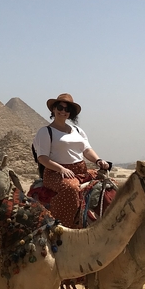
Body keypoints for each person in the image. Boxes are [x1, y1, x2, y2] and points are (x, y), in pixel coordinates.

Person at [33, 93, 110, 227]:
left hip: (81, 171)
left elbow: (86, 150)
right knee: (71, 188)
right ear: (53, 109)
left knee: (108, 184)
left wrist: (98, 160)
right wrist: (61, 169)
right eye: (60, 107)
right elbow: (42, 158)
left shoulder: (78, 130)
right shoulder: (46, 132)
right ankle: (61, 227)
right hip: (56, 173)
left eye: (67, 109)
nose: (63, 111)